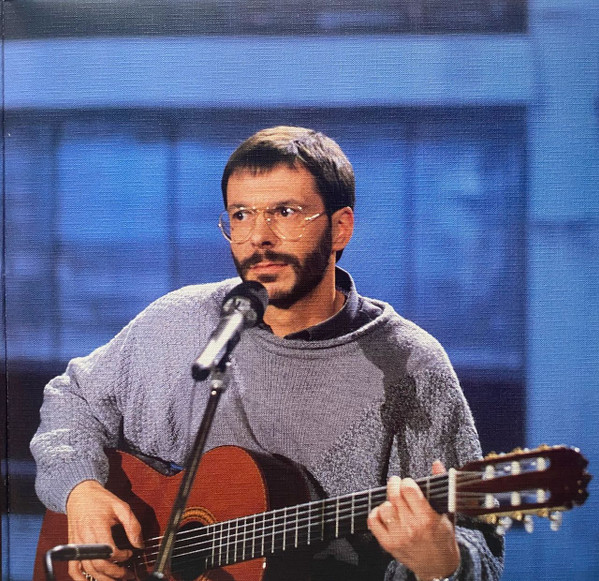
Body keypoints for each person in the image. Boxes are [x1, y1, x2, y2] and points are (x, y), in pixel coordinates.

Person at [31, 126, 504, 581]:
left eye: (285, 212)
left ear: (340, 228)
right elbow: (73, 401)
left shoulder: (410, 365)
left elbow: (476, 546)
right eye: (241, 215)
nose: (259, 236)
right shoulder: (179, 321)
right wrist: (81, 490)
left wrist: (440, 564)